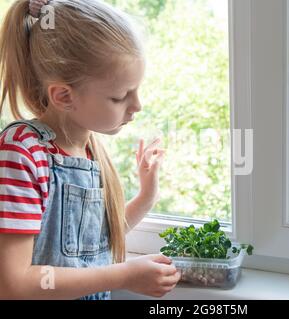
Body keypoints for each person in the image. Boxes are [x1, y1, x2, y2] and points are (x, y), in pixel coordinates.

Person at [0, 0, 180, 300]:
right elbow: (14, 284)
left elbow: (90, 243)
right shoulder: (21, 153)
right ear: (64, 96)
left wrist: (147, 195)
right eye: (121, 96)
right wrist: (125, 274)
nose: (137, 106)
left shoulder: (89, 149)